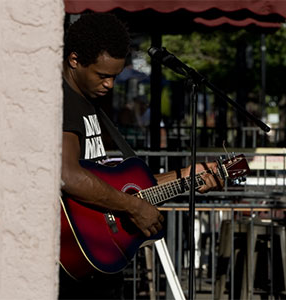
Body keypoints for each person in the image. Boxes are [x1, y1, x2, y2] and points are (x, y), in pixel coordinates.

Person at [59, 13, 223, 299]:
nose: (109, 85)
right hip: (72, 266)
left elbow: (113, 186)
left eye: (114, 76)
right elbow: (67, 174)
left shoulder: (89, 103)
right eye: (102, 75)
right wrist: (133, 208)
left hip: (99, 264)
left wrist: (186, 176)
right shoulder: (63, 101)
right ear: (74, 60)